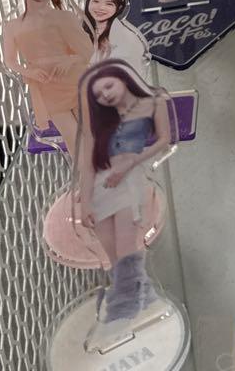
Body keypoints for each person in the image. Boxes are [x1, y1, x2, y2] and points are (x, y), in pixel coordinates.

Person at [75, 60, 177, 349]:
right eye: (98, 95)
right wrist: (85, 202)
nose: (105, 95)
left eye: (108, 86)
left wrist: (132, 162)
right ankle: (147, 303)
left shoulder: (154, 101)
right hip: (101, 185)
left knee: (126, 251)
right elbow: (87, 163)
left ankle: (120, 317)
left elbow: (165, 139)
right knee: (114, 257)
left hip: (130, 181)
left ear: (122, 78)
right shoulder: (101, 121)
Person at [1, 0, 93, 156]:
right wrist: (30, 72)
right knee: (72, 138)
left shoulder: (64, 17)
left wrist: (70, 59)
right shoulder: (12, 27)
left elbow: (88, 51)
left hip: (75, 79)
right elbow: (9, 60)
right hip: (47, 86)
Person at [83, 0, 150, 78]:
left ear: (119, 8)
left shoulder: (126, 37)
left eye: (109, 4)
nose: (101, 7)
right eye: (96, 1)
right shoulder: (83, 31)